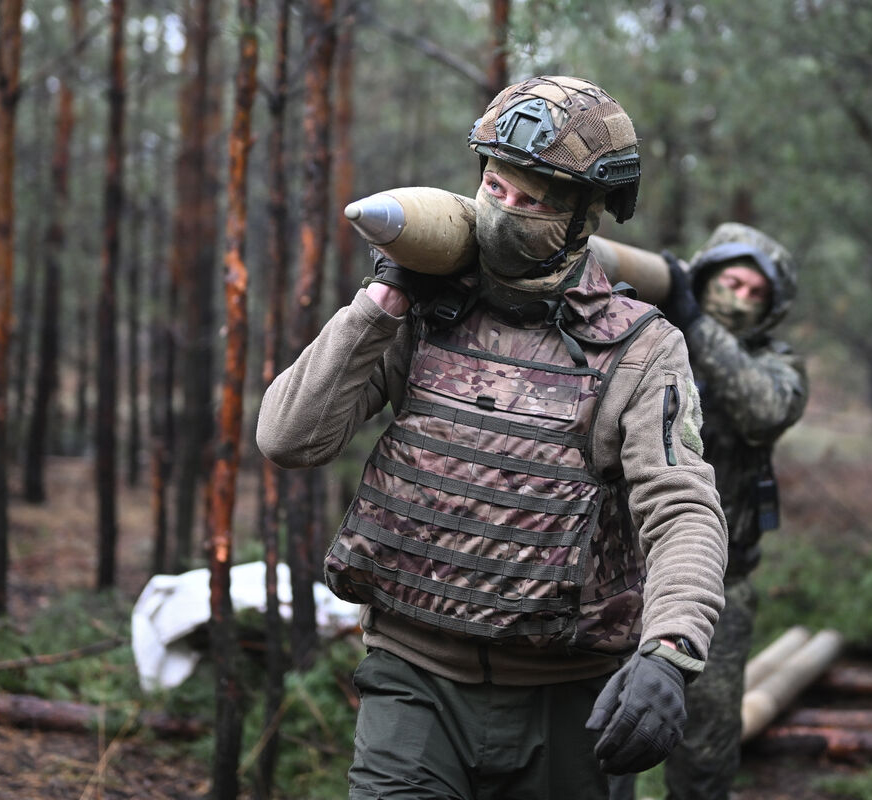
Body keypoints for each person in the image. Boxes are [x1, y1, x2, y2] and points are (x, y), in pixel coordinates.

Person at [256, 75, 728, 800]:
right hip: (413, 682)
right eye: (495, 187)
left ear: (583, 216)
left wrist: (670, 651)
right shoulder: (419, 308)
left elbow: (682, 507)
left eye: (533, 199)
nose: (505, 211)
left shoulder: (640, 348)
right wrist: (381, 299)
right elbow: (289, 436)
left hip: (571, 700)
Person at [615, 223, 809, 800]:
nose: (742, 299)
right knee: (602, 742)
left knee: (704, 754)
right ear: (707, 275)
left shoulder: (776, 364)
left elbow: (764, 409)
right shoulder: (649, 331)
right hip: (622, 579)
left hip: (720, 589)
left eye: (757, 293)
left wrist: (694, 319)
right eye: (732, 282)